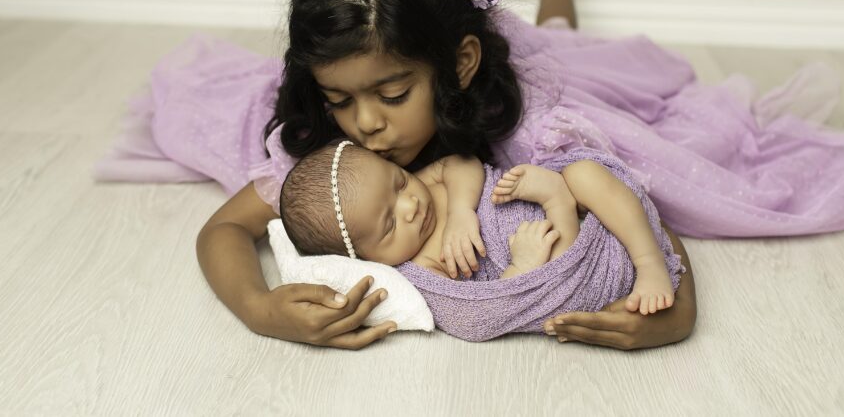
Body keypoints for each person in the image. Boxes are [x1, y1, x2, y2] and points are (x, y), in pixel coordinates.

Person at [98, 0, 844, 350]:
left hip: (522, 73)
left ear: (458, 65)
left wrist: (670, 311)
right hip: (472, 63)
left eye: (392, 91)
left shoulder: (527, 121)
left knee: (561, 40)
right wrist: (256, 306)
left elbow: (642, 202)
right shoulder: (336, 150)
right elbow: (227, 228)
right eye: (339, 98)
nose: (365, 125)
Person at [280, 139, 677, 315]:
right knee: (555, 250)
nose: (411, 205)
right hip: (560, 268)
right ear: (366, 259)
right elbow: (483, 312)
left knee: (586, 172)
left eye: (399, 181)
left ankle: (650, 262)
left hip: (595, 213)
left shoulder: (426, 185)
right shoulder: (421, 270)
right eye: (389, 224)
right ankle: (558, 202)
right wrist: (521, 267)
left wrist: (460, 212)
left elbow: (461, 163)